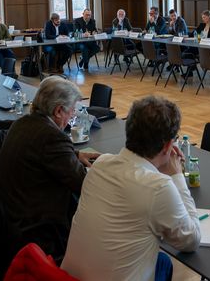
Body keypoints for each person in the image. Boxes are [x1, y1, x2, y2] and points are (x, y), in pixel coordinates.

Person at [62, 96, 200, 281]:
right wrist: (175, 176)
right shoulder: (159, 187)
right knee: (163, 262)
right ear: (167, 146)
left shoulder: (101, 164)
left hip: (66, 277)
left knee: (163, 261)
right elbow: (191, 240)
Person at [0, 77, 100, 256]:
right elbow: (83, 184)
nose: (72, 116)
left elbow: (37, 152)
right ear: (59, 110)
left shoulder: (22, 123)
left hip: (9, 217)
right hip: (38, 228)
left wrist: (73, 155)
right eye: (72, 110)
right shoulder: (52, 137)